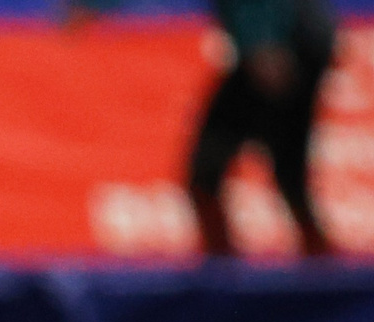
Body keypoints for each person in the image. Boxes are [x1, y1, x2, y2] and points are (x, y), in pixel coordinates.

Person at [70, 0, 336, 258]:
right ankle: (314, 265)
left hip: (287, 42)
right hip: (296, 37)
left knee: (210, 171)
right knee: (281, 168)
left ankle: (230, 275)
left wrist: (264, 39)